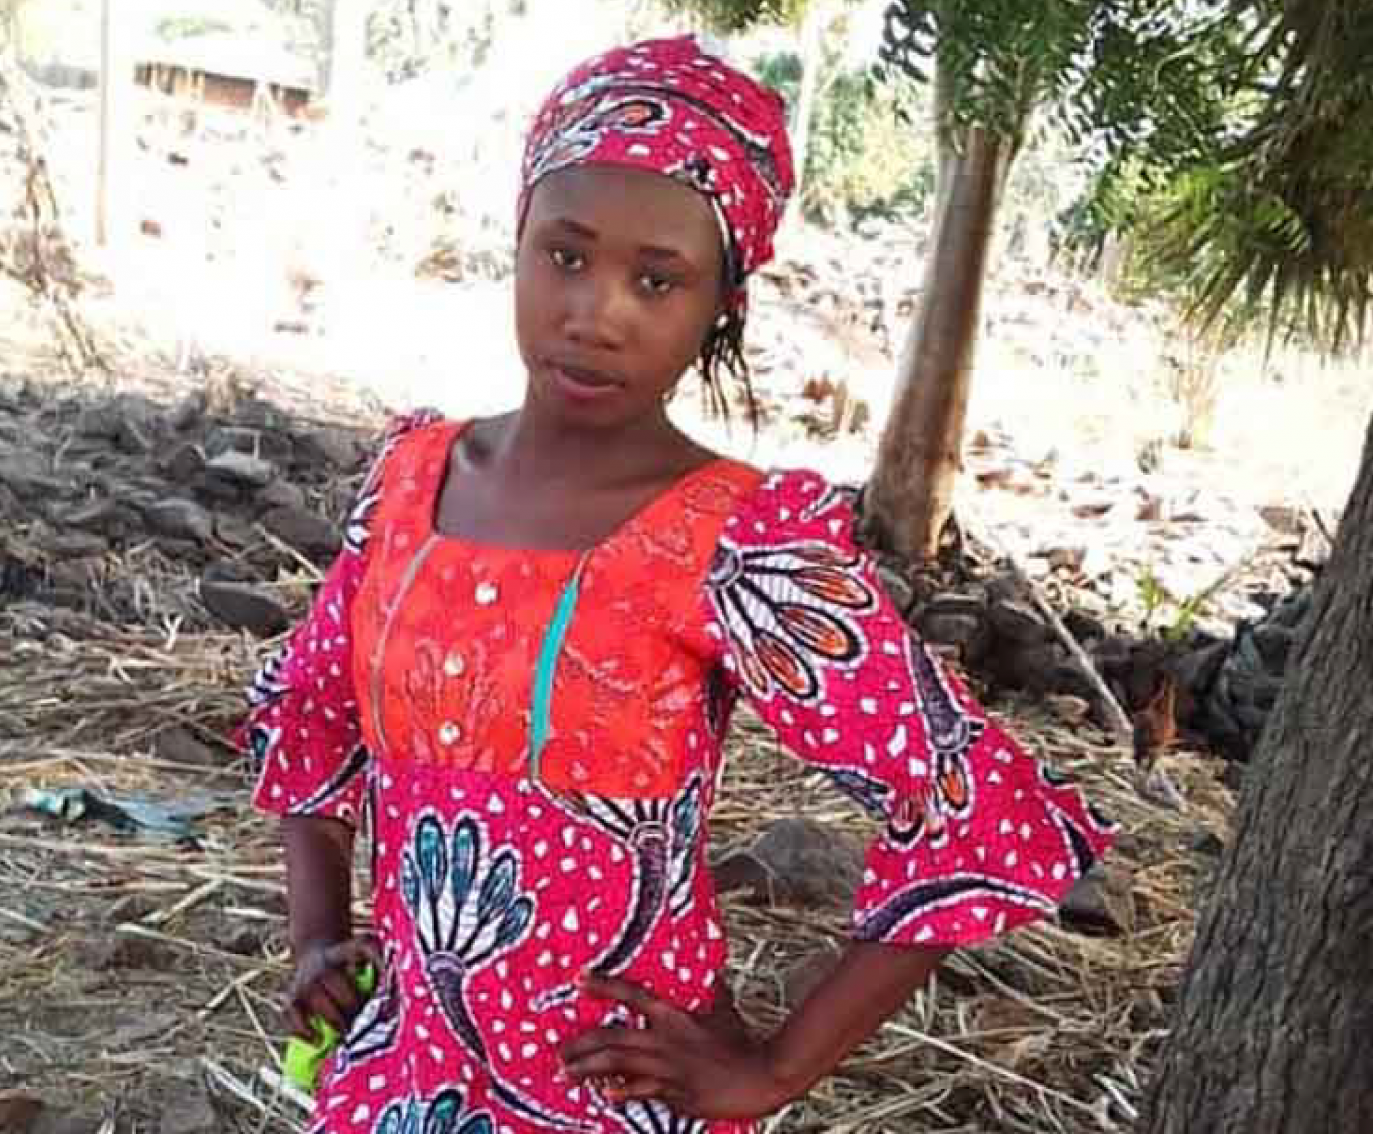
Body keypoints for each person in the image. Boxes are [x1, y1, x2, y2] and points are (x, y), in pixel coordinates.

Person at [239, 35, 1113, 1134]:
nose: (595, 312)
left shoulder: (736, 540)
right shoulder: (412, 482)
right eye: (565, 255)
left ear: (720, 306)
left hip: (612, 1101)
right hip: (400, 1084)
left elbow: (972, 806)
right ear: (518, 242)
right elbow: (312, 712)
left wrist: (775, 1070)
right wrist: (319, 936)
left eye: (656, 280)